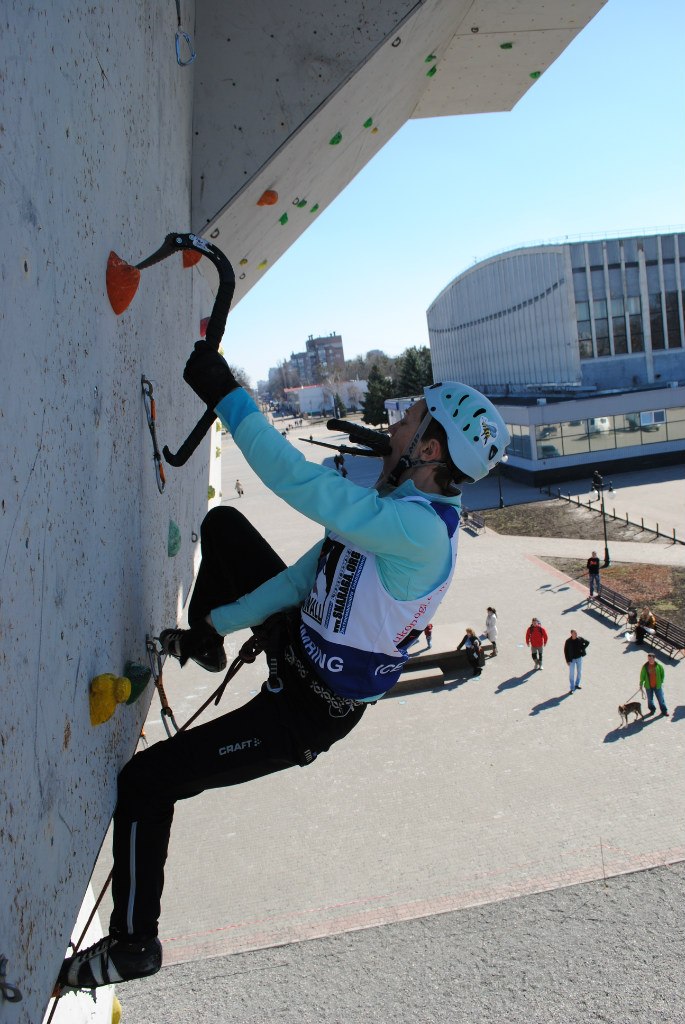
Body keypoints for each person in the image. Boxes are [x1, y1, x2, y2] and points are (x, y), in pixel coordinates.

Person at [58, 235, 510, 991]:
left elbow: (302, 488)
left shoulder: (412, 532)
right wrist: (220, 623)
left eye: (410, 422)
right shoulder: (399, 504)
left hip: (301, 713)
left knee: (146, 781)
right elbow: (310, 575)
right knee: (224, 530)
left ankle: (133, 944)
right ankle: (204, 645)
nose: (394, 424)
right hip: (297, 646)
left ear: (431, 451)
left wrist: (227, 394)